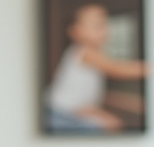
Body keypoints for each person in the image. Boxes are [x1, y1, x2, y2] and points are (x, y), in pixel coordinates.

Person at [44, 3, 148, 132]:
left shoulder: (93, 53)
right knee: (110, 125)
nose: (103, 29)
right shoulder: (86, 52)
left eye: (104, 24)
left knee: (112, 123)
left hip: (72, 110)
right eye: (97, 25)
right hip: (59, 113)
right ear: (75, 31)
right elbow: (117, 68)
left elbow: (88, 96)